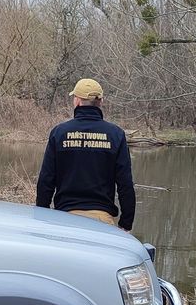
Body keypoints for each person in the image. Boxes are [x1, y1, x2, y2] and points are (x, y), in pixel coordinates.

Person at [36, 78, 135, 231]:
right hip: (103, 223)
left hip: (64, 219)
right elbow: (125, 184)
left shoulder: (59, 133)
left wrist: (41, 219)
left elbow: (46, 181)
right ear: (100, 102)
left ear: (77, 101)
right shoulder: (116, 135)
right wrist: (125, 224)